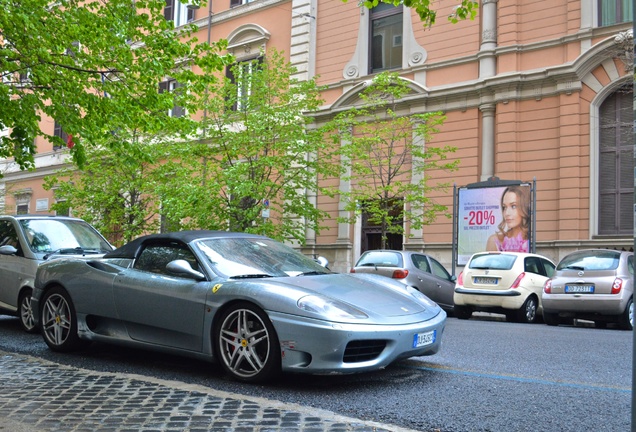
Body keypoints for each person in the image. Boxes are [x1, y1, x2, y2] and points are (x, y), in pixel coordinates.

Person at [486, 185, 530, 252]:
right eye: (504, 207)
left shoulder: (531, 241)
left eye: (513, 206)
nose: (507, 213)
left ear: (524, 208)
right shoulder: (494, 241)